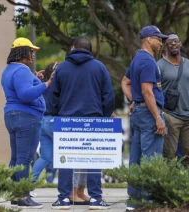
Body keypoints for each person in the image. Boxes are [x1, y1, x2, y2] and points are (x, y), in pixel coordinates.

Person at [50, 36, 115, 210]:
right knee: (93, 160)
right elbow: (108, 95)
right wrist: (103, 115)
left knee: (65, 160)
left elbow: (53, 95)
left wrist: (56, 114)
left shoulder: (62, 68)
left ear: (72, 48)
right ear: (89, 49)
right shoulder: (99, 67)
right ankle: (96, 198)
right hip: (93, 118)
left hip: (66, 120)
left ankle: (63, 199)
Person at [1, 37, 54, 209]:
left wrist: (35, 79)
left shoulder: (9, 69)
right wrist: (46, 83)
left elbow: (23, 88)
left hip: (12, 115)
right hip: (26, 117)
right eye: (31, 51)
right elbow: (25, 94)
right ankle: (23, 195)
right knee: (25, 159)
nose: (32, 54)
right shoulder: (22, 70)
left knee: (16, 158)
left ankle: (16, 194)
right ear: (22, 51)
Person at [121, 25, 167, 211]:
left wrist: (134, 100)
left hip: (139, 113)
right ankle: (148, 202)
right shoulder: (148, 61)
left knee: (136, 158)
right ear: (149, 39)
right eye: (158, 38)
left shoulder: (136, 58)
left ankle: (133, 201)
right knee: (151, 158)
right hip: (149, 114)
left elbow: (125, 83)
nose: (161, 42)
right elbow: (148, 91)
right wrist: (157, 117)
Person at [157, 33, 189, 167]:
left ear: (180, 43)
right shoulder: (158, 66)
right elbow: (154, 91)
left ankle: (187, 186)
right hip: (170, 116)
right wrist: (161, 114)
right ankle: (168, 187)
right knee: (168, 155)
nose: (173, 44)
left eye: (176, 41)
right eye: (170, 43)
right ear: (165, 47)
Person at [32, 62, 58, 184]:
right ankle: (67, 188)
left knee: (45, 157)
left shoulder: (41, 85)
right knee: (65, 153)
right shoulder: (57, 86)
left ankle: (29, 185)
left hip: (42, 122)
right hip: (53, 121)